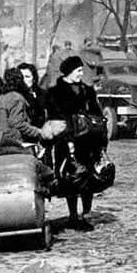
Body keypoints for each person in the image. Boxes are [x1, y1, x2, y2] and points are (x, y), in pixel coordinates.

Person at [46, 55, 105, 231]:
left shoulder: (87, 90)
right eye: (78, 71)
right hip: (66, 140)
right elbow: (55, 117)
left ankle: (85, 213)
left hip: (88, 141)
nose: (81, 74)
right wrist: (67, 133)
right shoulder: (55, 93)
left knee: (89, 176)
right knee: (71, 177)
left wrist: (100, 137)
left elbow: (97, 113)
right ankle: (73, 215)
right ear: (69, 72)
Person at [18, 62, 50, 128]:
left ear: (34, 79)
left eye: (27, 77)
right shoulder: (16, 95)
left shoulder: (43, 94)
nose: (24, 80)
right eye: (21, 77)